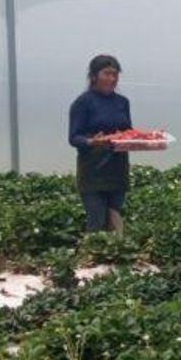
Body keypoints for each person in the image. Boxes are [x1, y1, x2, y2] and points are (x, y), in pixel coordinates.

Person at [68, 54, 132, 233]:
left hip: (118, 169)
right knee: (96, 220)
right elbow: (74, 137)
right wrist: (92, 141)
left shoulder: (122, 102)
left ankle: (115, 250)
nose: (112, 79)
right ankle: (92, 249)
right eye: (107, 74)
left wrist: (131, 138)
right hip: (93, 171)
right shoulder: (83, 103)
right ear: (94, 76)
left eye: (115, 74)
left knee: (115, 218)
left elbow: (128, 131)